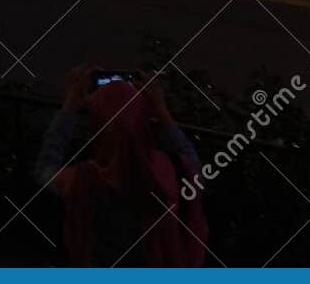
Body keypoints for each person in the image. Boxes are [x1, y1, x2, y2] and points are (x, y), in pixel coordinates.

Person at [34, 64, 207, 266]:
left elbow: (44, 170)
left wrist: (69, 107)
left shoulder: (84, 179)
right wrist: (162, 111)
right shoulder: (171, 171)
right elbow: (192, 164)